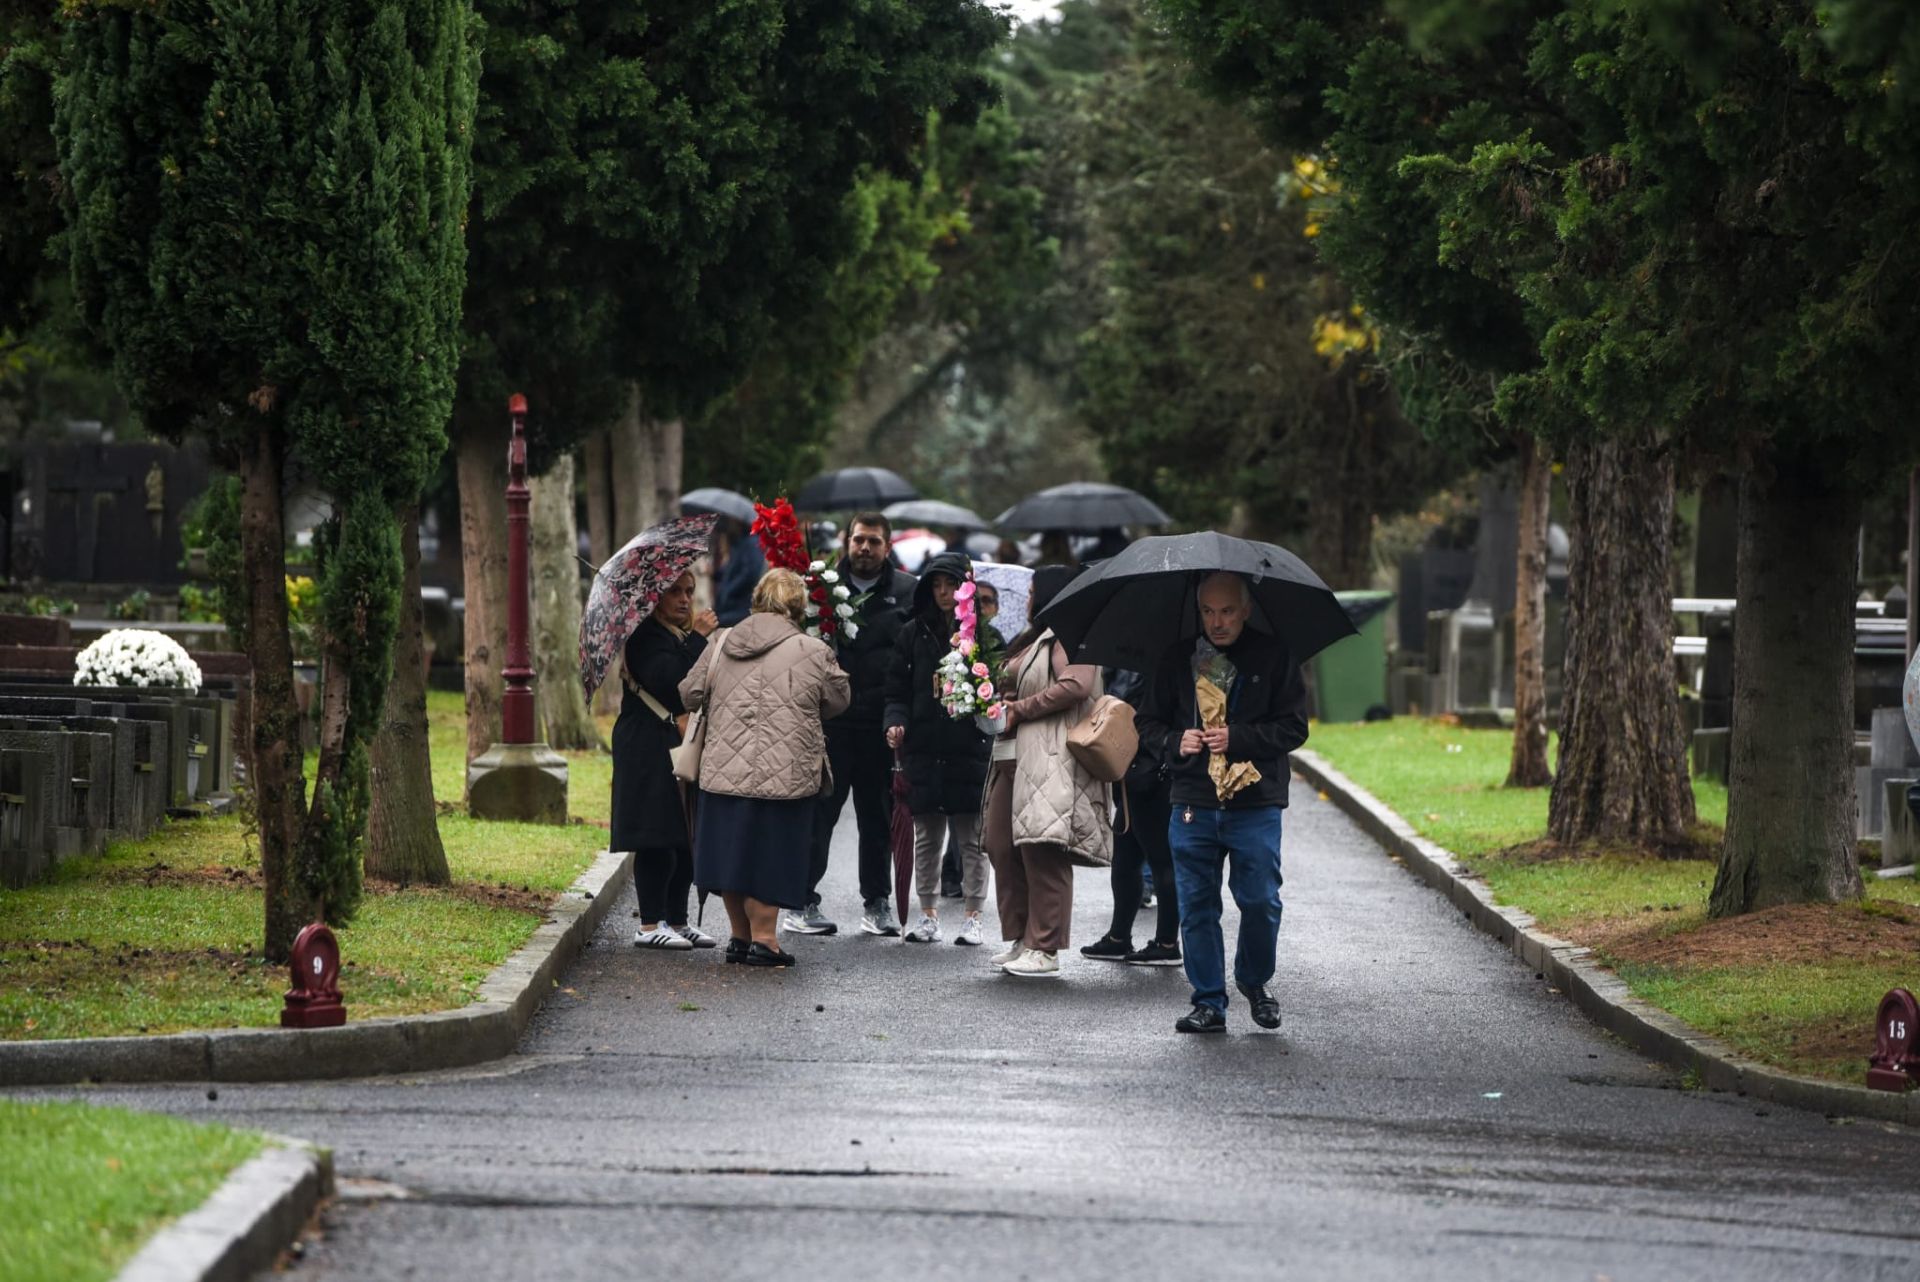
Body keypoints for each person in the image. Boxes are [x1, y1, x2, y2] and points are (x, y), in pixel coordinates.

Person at [1136, 571, 1307, 1033]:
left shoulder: (1272, 656)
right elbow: (1147, 723)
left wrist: (1238, 737)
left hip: (1255, 801)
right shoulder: (1177, 659)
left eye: (1227, 610)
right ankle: (1209, 1001)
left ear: (1246, 609)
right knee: (1196, 906)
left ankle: (1254, 981)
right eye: (1208, 611)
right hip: (1193, 799)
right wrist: (1176, 740)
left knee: (1260, 901)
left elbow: (1294, 728)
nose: (1217, 621)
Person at [680, 569, 850, 967]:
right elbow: (840, 700)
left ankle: (739, 937)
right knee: (771, 855)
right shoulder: (812, 650)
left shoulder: (721, 643)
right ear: (796, 607)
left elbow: (688, 693)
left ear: (756, 600)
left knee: (731, 856)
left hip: (723, 769)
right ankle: (765, 939)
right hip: (786, 772)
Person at [792, 514, 917, 937]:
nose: (865, 548)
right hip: (830, 724)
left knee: (877, 819)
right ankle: (801, 898)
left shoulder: (906, 591)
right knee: (819, 814)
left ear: (887, 546)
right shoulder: (819, 587)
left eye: (874, 542)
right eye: (859, 540)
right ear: (847, 542)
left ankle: (877, 902)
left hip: (881, 726)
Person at [985, 566, 1112, 978]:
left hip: (1049, 755)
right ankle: (1022, 936)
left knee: (1042, 847)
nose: (1027, 599)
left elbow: (1075, 685)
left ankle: (1046, 946)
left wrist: (1019, 708)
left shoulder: (1071, 635)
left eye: (1034, 592)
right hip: (1010, 755)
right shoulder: (1034, 637)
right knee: (1001, 844)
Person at [884, 550, 991, 945]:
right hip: (924, 749)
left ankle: (973, 915)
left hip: (969, 748)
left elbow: (995, 686)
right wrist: (895, 723)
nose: (943, 593)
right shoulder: (912, 633)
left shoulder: (981, 634)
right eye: (936, 585)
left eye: (950, 585)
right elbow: (896, 689)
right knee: (927, 835)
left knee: (973, 838)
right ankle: (927, 914)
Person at [612, 570, 720, 951]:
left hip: (678, 742)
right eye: (673, 590)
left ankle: (677, 919)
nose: (684, 599)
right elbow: (669, 679)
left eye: (688, 591)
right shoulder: (643, 635)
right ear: (655, 595)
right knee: (655, 835)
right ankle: (647, 924)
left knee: (683, 836)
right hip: (646, 743)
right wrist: (698, 638)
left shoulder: (676, 635)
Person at [1078, 665, 1180, 966]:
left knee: (1161, 859)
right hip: (1132, 772)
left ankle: (1166, 942)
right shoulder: (1131, 662)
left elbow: (1137, 711)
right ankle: (1118, 937)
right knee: (1125, 859)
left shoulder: (1167, 665)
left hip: (1155, 773)